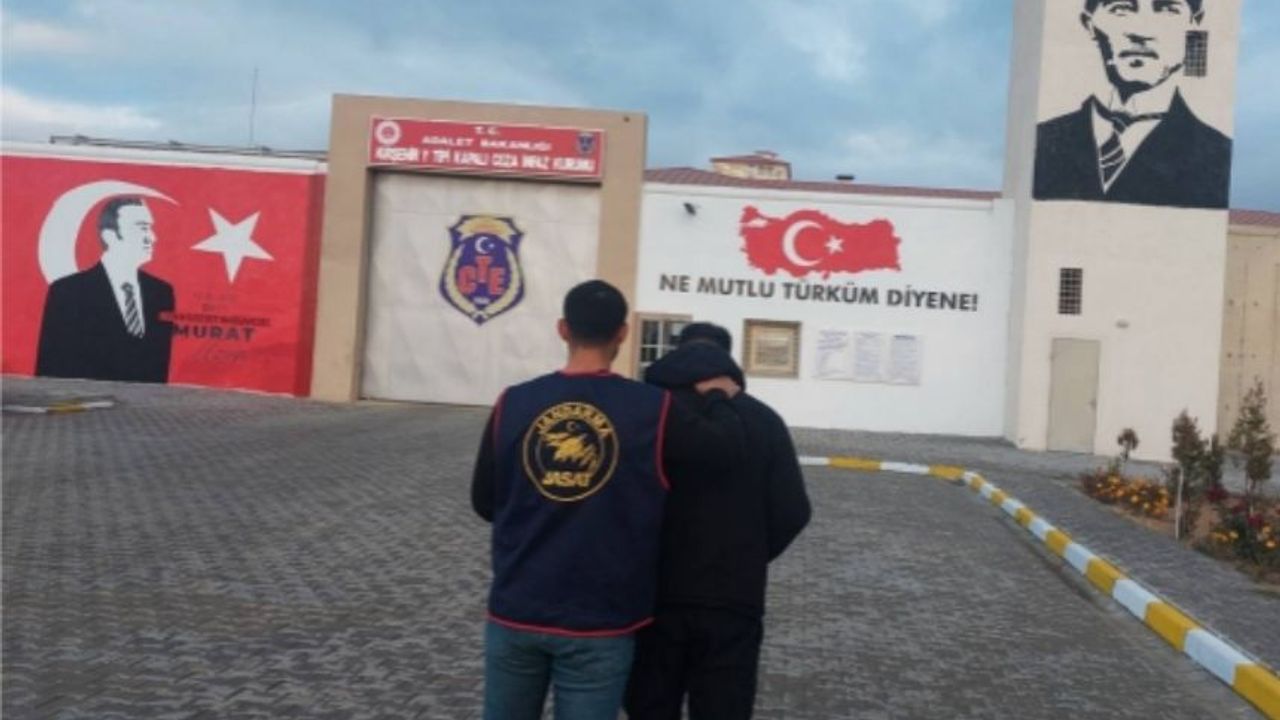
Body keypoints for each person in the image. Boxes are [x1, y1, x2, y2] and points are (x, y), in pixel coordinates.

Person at [470, 281, 745, 720]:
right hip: (601, 619)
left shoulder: (514, 402)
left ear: (563, 329)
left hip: (517, 607)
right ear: (622, 333)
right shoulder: (651, 408)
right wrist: (716, 395)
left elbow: (485, 502)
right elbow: (726, 448)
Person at [626, 322, 811, 720]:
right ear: (729, 359)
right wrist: (749, 552)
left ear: (677, 353)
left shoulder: (648, 414)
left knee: (650, 706)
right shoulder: (764, 420)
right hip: (733, 596)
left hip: (654, 595)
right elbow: (794, 510)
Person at [1032, 0, 1231, 209]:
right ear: (1089, 25)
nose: (1141, 31)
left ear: (1195, 26)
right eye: (1121, 8)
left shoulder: (1215, 155)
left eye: (1167, 10)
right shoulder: (1043, 140)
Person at [36, 196, 175, 382]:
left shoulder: (161, 293)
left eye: (150, 228)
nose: (152, 237)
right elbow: (50, 370)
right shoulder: (68, 292)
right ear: (110, 236)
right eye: (142, 228)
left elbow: (160, 367)